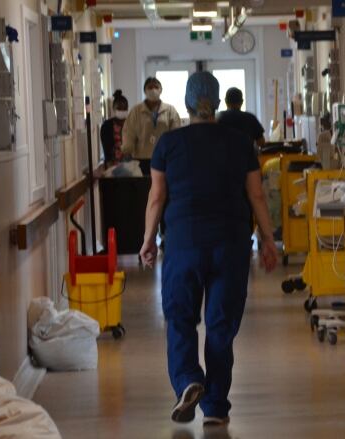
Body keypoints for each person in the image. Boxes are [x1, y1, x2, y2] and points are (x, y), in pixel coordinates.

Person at [139, 72, 279, 427]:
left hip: (184, 244)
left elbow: (157, 198)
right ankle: (215, 405)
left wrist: (147, 241)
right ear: (216, 103)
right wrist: (268, 239)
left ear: (186, 103)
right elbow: (256, 195)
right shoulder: (239, 143)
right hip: (230, 245)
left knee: (181, 318)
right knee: (221, 325)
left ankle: (188, 379)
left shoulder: (168, 144)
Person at [122, 77, 182, 175]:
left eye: (156, 87)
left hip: (164, 158)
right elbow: (129, 132)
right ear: (145, 90)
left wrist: (175, 153)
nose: (153, 90)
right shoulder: (136, 111)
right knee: (143, 187)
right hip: (141, 158)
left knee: (162, 187)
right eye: (150, 87)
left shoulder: (170, 110)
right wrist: (127, 150)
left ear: (161, 90)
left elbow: (176, 133)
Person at [100, 90, 129, 166]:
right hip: (113, 165)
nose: (122, 111)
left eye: (124, 108)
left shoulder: (131, 124)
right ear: (113, 109)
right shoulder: (106, 126)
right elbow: (106, 149)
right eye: (119, 108)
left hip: (129, 164)